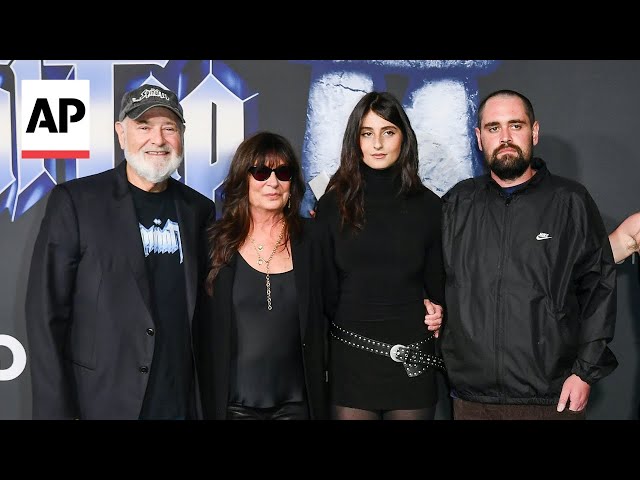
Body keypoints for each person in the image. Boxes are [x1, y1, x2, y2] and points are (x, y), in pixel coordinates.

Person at [25, 84, 215, 420]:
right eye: (144, 126)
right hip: (102, 403)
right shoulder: (77, 202)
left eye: (169, 128)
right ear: (121, 133)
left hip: (179, 403)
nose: (158, 140)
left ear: (182, 135)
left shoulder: (198, 209)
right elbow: (46, 312)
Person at [440, 89, 618, 420]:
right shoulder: (457, 204)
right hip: (473, 400)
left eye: (516, 125)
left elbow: (599, 289)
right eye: (493, 128)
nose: (505, 137)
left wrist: (584, 372)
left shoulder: (570, 201)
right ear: (479, 138)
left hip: (552, 397)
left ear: (534, 132)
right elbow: (434, 279)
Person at [314, 91, 446, 420]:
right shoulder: (332, 206)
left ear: (404, 138)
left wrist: (438, 312)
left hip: (411, 359)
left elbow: (438, 287)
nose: (377, 144)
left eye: (388, 132)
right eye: (367, 133)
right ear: (355, 140)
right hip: (351, 356)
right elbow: (324, 291)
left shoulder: (430, 207)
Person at [193, 131, 328, 420]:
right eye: (261, 172)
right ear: (243, 179)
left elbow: (345, 298)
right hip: (233, 407)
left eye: (283, 173)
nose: (273, 182)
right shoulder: (214, 242)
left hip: (298, 406)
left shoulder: (313, 240)